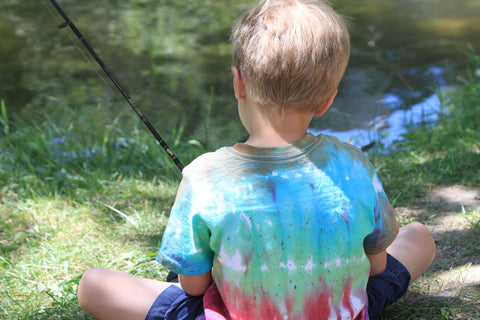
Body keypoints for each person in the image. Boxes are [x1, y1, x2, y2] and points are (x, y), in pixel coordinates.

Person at [77, 0, 436, 319]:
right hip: (339, 309)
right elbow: (376, 266)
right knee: (419, 237)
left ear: (239, 84)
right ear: (327, 101)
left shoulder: (204, 176)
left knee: (93, 285)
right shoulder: (355, 165)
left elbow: (193, 288)